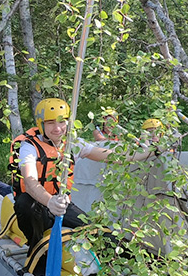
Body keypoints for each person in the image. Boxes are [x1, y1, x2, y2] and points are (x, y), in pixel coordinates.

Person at [11, 98, 152, 251]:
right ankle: (36, 249)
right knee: (25, 202)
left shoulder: (74, 144)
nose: (57, 128)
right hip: (37, 205)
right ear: (41, 124)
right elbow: (31, 183)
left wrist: (147, 153)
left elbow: (114, 157)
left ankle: (130, 255)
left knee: (99, 232)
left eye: (62, 122)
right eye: (51, 123)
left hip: (62, 203)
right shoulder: (28, 147)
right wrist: (50, 201)